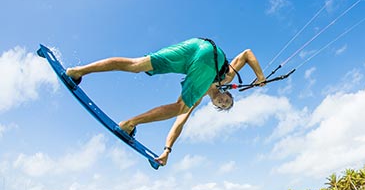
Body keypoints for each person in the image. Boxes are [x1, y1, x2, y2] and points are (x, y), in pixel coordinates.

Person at [65, 37, 266, 166]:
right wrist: (260, 76)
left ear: (214, 106)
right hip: (212, 56)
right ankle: (129, 124)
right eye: (227, 101)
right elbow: (247, 53)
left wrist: (167, 150)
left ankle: (77, 72)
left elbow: (179, 125)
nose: (223, 102)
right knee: (180, 107)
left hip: (196, 45)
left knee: (137, 65)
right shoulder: (226, 77)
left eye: (222, 106)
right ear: (228, 93)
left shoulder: (197, 98)